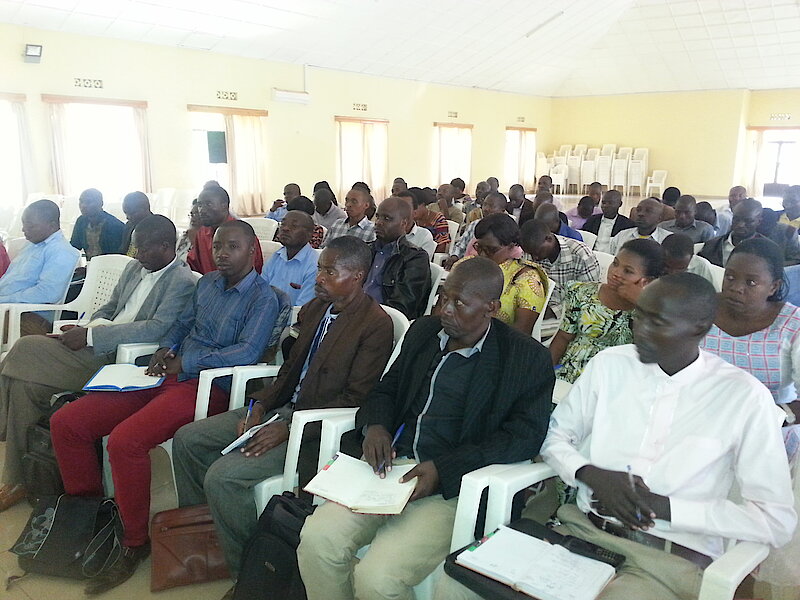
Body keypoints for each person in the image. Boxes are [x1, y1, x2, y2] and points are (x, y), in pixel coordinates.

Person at [439, 272, 796, 600]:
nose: (639, 329)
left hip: (664, 560)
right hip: (581, 534)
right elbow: (554, 435)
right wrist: (589, 474)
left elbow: (775, 520)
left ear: (700, 327)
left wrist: (664, 508)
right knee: (454, 586)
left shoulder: (742, 397)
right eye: (639, 315)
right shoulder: (611, 364)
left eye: (657, 322)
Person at [297, 257, 555, 600]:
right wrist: (376, 426)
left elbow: (523, 438)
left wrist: (443, 469)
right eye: (444, 297)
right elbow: (387, 389)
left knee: (377, 579)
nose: (445, 309)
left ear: (491, 308)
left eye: (459, 303)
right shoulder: (425, 332)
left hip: (453, 487)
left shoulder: (524, 358)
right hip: (390, 470)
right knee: (317, 541)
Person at [50, 220, 279, 595]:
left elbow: (246, 352)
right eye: (217, 246)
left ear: (252, 250)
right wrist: (166, 348)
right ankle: (92, 516)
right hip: (166, 373)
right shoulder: (207, 284)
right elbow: (181, 325)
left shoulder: (263, 298)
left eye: (232, 247)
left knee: (125, 441)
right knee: (68, 422)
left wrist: (187, 361)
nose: (222, 254)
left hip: (207, 387)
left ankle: (134, 541)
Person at [172, 236, 393, 584]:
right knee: (188, 439)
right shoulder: (317, 308)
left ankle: (249, 574)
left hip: (316, 427)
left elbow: (356, 399)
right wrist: (259, 405)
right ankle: (208, 538)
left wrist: (288, 428)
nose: (319, 278)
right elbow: (289, 371)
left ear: (357, 277)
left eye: (330, 272)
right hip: (283, 408)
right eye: (319, 269)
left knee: (223, 477)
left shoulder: (374, 324)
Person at [0, 215, 196, 512]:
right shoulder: (135, 268)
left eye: (144, 248)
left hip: (120, 359)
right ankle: (18, 480)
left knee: (26, 346)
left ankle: (3, 429)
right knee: (25, 386)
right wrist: (87, 327)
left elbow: (156, 329)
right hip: (95, 344)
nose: (137, 255)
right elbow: (110, 307)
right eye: (136, 248)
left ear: (166, 247)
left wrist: (92, 336)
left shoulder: (181, 281)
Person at [701, 237, 800, 415]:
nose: (736, 288)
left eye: (751, 282)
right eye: (730, 277)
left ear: (773, 287)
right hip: (701, 415)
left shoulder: (793, 324)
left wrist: (773, 418)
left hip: (772, 423)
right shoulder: (699, 309)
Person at [548, 238, 663, 383]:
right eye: (615, 263)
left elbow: (648, 356)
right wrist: (545, 373)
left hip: (614, 383)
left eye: (628, 271)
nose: (616, 272)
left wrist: (640, 303)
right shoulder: (583, 293)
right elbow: (563, 338)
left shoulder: (650, 313)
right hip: (570, 374)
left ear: (646, 281)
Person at [0, 199, 81, 336]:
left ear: (52, 225)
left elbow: (47, 293)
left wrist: (4, 300)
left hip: (29, 316)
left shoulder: (61, 251)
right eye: (24, 224)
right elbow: (12, 279)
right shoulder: (33, 245)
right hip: (8, 308)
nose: (24, 229)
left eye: (30, 226)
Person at [459, 213, 548, 336]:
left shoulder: (527, 279)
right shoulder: (468, 266)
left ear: (511, 246)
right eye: (479, 247)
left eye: (491, 250)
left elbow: (520, 335)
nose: (483, 254)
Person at [365, 196, 432, 320]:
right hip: (354, 312)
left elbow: (403, 305)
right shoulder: (366, 249)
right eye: (378, 217)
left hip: (383, 319)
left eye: (387, 218)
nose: (378, 222)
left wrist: (368, 315)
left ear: (404, 223)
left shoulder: (415, 258)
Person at [520, 220, 600, 312]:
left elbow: (587, 299)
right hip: (536, 307)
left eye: (537, 252)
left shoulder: (582, 256)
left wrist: (553, 311)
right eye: (531, 254)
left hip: (570, 313)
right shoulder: (531, 250)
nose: (535, 258)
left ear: (549, 239)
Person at [700, 198, 800, 267]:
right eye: (736, 219)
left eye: (748, 221)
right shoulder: (712, 245)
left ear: (758, 222)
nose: (740, 225)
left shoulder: (769, 250)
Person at [188, 185, 264, 274]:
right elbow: (194, 266)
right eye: (200, 205)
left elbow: (253, 272)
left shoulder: (243, 234)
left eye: (208, 204)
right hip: (208, 281)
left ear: (224, 205)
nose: (202, 210)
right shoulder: (202, 233)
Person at [261, 210, 318, 306]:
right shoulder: (276, 257)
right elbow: (260, 293)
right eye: (283, 224)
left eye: (294, 226)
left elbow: (301, 309)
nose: (285, 229)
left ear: (309, 234)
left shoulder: (314, 265)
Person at [445, 192, 509, 269]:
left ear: (502, 210)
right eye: (485, 204)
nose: (486, 209)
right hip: (468, 266)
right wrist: (454, 256)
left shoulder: (507, 230)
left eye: (491, 206)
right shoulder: (475, 224)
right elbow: (461, 245)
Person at [70, 188, 125, 260]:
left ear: (101, 203)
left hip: (109, 264)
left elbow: (116, 256)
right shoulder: (81, 221)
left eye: (88, 202)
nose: (83, 206)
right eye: (81, 201)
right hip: (90, 264)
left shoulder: (114, 226)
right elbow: (74, 247)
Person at [581, 190, 635, 254]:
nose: (605, 206)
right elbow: (584, 238)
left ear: (620, 204)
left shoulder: (627, 225)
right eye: (603, 203)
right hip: (591, 255)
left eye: (610, 203)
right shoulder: (592, 220)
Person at [396, 190, 435, 259]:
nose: (399, 212)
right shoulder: (385, 232)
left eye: (405, 208)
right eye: (396, 208)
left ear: (414, 213)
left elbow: (421, 263)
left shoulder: (424, 236)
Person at [410, 186, 451, 253]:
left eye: (414, 208)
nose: (411, 211)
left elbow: (442, 246)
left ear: (423, 205)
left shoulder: (438, 219)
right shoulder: (410, 220)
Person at [118, 191, 153, 256]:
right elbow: (122, 251)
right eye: (126, 213)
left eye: (132, 213)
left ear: (145, 208)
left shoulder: (157, 228)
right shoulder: (129, 226)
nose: (127, 217)